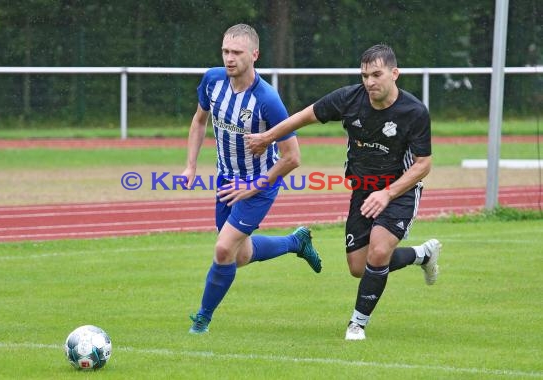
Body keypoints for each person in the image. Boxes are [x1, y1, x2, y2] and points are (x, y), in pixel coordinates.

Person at [246, 44, 441, 341]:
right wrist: (268, 137)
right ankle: (421, 255)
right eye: (364, 75)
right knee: (359, 267)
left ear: (394, 73)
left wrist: (387, 194)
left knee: (378, 250)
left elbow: (423, 164)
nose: (369, 82)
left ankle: (356, 324)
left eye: (376, 74)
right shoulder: (349, 99)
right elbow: (304, 116)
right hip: (362, 190)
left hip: (399, 190)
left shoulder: (413, 111)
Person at [182, 24, 322, 335]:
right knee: (239, 255)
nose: (229, 59)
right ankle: (295, 242)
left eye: (236, 53)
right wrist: (191, 166)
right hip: (226, 182)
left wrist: (254, 186)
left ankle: (202, 319)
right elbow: (198, 121)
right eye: (225, 52)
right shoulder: (212, 81)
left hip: (259, 185)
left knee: (222, 251)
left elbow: (293, 157)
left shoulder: (267, 99)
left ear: (254, 55)